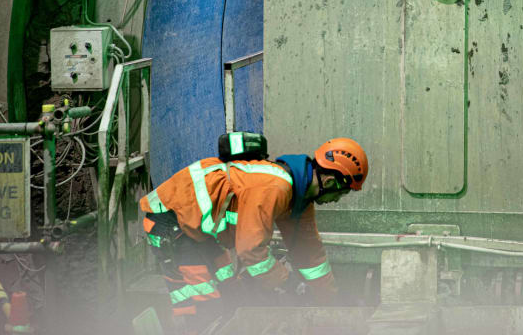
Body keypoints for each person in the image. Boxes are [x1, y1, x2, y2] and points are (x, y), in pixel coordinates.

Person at [139, 137, 368, 334]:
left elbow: (311, 256)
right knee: (204, 307)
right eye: (342, 193)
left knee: (233, 294)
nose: (337, 200)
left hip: (199, 232)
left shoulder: (299, 200)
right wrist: (288, 284)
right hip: (171, 222)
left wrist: (330, 303)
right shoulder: (275, 187)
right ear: (330, 181)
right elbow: (251, 252)